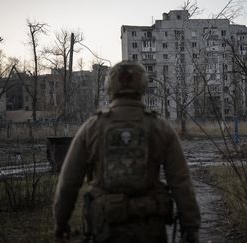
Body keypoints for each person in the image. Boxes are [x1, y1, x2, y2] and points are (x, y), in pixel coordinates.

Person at [53, 60, 201, 243]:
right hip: (149, 228)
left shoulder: (92, 127)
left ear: (109, 87)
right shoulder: (160, 127)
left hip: (106, 228)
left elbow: (69, 181)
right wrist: (190, 226)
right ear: (143, 86)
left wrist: (61, 222)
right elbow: (180, 180)